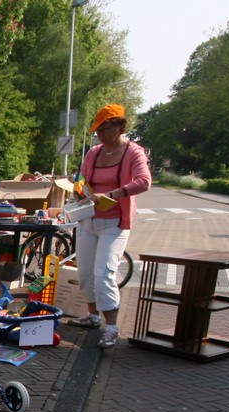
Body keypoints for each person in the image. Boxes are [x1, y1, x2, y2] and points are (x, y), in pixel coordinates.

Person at [68, 104, 152, 349]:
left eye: (105, 129)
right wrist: (80, 190)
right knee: (85, 272)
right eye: (98, 131)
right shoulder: (94, 152)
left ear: (120, 127)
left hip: (114, 222)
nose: (101, 135)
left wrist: (114, 194)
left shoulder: (133, 152)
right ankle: (92, 315)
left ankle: (112, 328)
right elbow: (82, 179)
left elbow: (144, 181)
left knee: (103, 272)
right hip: (89, 218)